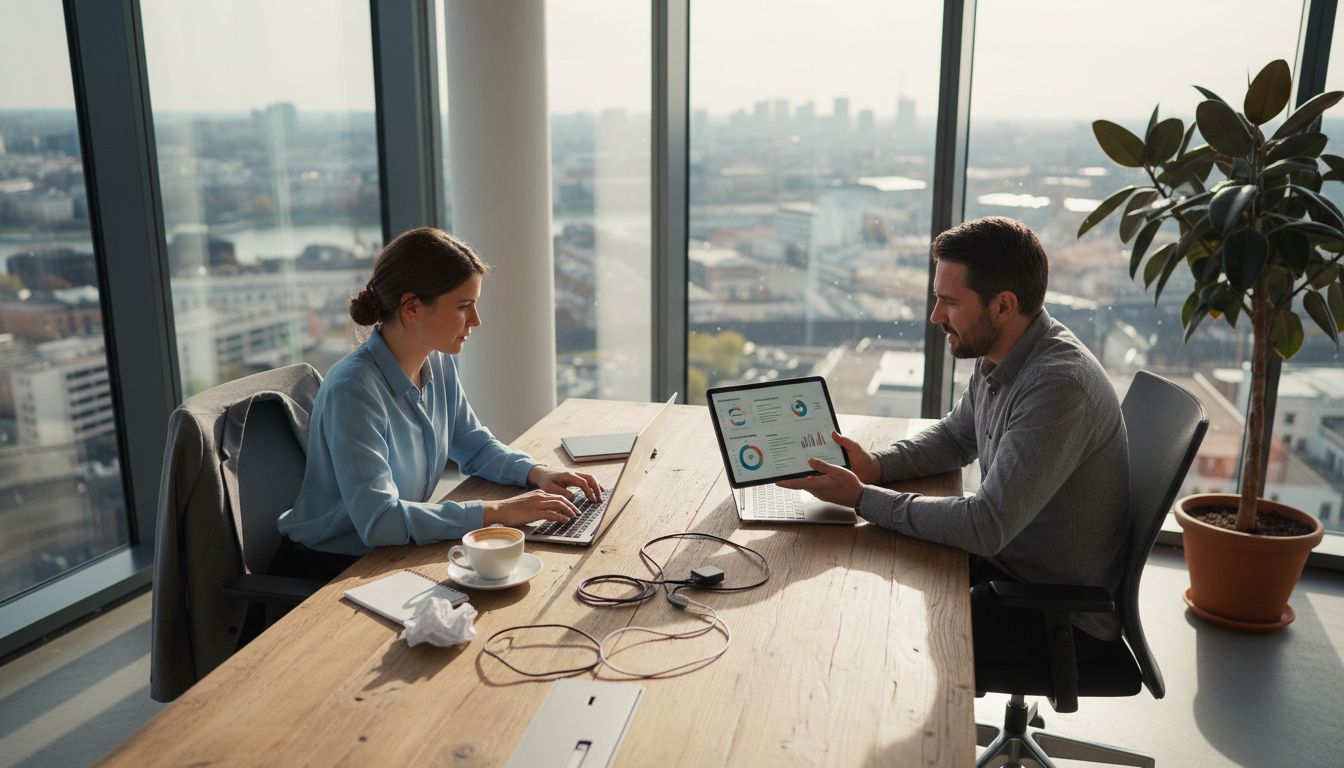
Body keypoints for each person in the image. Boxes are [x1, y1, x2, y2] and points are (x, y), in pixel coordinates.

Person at [779, 216, 1129, 664]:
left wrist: (863, 497)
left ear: (1003, 305)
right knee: (862, 575)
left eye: (949, 302)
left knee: (882, 642)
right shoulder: (1005, 352)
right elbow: (955, 437)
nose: (935, 316)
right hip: (1011, 565)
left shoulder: (1058, 388)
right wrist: (876, 467)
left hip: (1057, 614)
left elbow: (985, 526)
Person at [278, 227, 601, 561]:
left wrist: (538, 473)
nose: (476, 320)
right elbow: (379, 521)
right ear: (412, 307)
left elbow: (475, 445)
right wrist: (499, 512)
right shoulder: (354, 390)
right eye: (464, 306)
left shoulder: (438, 363)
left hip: (391, 551)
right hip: (329, 568)